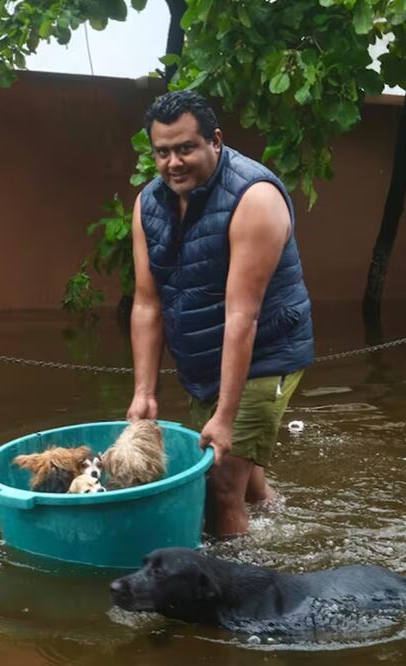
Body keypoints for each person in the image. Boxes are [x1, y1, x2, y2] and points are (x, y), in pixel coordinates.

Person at [125, 90, 314, 537]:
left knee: (218, 489)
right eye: (163, 152)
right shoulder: (148, 204)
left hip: (267, 353)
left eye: (186, 148)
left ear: (215, 140)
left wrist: (225, 416)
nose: (174, 163)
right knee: (242, 484)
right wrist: (144, 393)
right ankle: (284, 534)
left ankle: (236, 596)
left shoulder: (255, 199)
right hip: (205, 361)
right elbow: (146, 303)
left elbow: (241, 316)